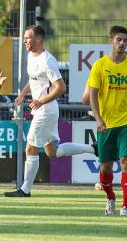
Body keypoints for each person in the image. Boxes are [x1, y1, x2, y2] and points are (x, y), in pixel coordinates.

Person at [6, 25, 96, 198]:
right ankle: (92, 148)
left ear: (38, 39)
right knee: (51, 152)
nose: (25, 40)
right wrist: (23, 94)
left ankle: (25, 190)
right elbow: (34, 79)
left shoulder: (47, 60)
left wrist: (41, 101)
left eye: (27, 37)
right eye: (24, 38)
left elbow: (60, 87)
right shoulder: (31, 56)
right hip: (43, 109)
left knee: (30, 148)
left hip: (46, 110)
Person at [87, 26, 127, 216]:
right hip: (106, 124)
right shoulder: (100, 65)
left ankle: (126, 207)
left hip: (126, 122)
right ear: (111, 40)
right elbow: (92, 94)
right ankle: (110, 198)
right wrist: (99, 118)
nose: (122, 43)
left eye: (125, 40)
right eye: (118, 39)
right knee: (106, 167)